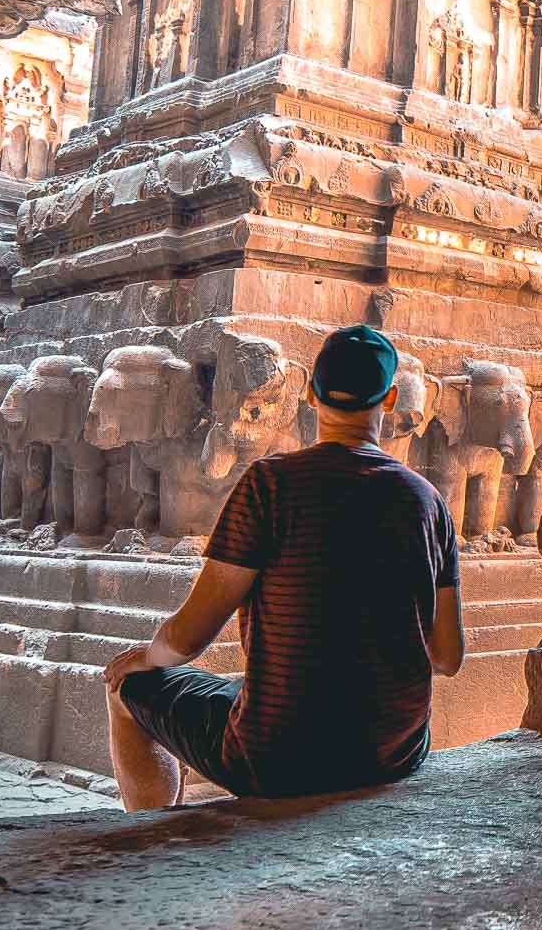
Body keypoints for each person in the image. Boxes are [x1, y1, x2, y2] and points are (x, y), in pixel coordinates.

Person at [100, 323, 467, 810]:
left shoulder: (270, 484)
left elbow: (186, 641)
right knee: (235, 691)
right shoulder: (428, 501)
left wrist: (145, 658)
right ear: (392, 398)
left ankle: (154, 836)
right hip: (393, 752)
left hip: (276, 758)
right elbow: (447, 657)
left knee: (127, 690)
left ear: (311, 396)